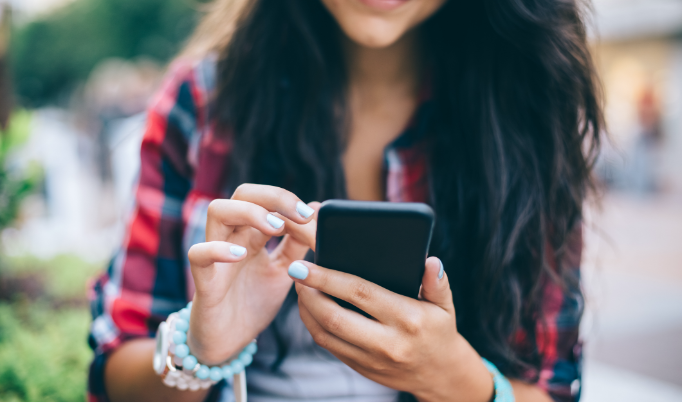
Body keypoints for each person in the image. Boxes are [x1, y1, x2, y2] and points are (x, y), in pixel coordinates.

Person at [87, 0, 602, 401]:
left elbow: (551, 388)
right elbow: (115, 371)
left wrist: (455, 379)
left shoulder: (528, 111)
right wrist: (200, 347)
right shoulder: (201, 106)